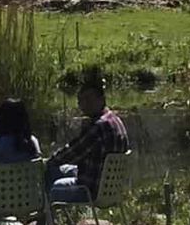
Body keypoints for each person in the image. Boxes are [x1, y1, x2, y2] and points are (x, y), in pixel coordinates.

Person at [46, 75, 129, 208]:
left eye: (89, 100)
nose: (84, 105)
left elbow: (72, 153)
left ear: (102, 99)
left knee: (54, 185)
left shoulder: (98, 127)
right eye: (81, 101)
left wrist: (50, 161)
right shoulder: (116, 120)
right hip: (110, 188)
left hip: (91, 190)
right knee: (60, 170)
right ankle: (50, 221)